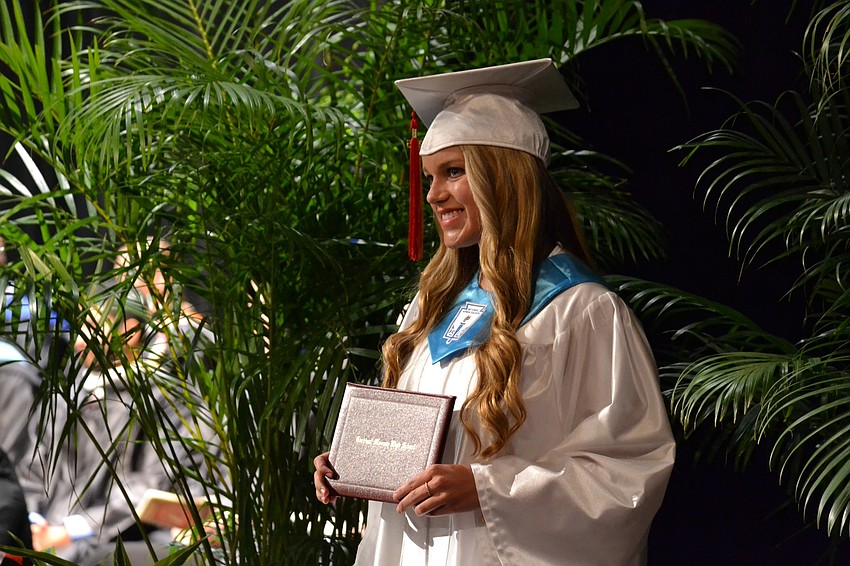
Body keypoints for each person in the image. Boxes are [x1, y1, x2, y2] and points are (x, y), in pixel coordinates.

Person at [313, 59, 676, 565]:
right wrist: (357, 459)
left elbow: (629, 470)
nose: (434, 194)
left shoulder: (580, 311)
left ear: (504, 179)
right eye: (430, 176)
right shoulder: (429, 307)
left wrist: (489, 489)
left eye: (454, 172)